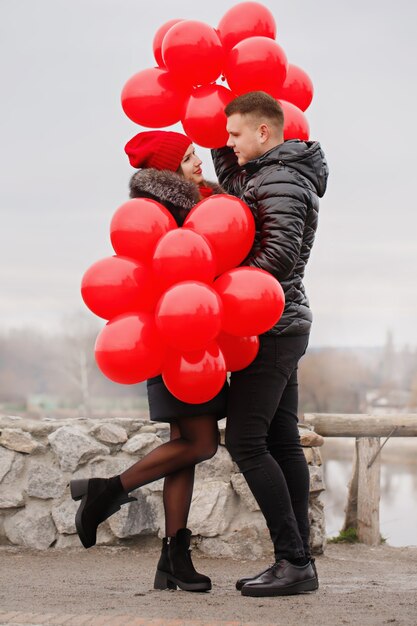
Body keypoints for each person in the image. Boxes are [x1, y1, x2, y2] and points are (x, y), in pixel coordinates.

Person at [71, 131, 227, 593]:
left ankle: (173, 557)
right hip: (174, 342)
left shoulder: (200, 203)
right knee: (201, 444)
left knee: (186, 452)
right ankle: (107, 490)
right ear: (165, 170)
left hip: (196, 339)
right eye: (187, 157)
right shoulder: (166, 213)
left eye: (196, 153)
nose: (198, 162)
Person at [211, 91, 328, 597]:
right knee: (281, 439)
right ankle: (299, 562)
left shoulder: (279, 178)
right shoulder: (270, 170)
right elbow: (237, 185)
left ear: (264, 133)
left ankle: (293, 560)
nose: (228, 143)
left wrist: (220, 289)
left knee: (245, 441)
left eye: (235, 134)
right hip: (280, 323)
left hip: (270, 325)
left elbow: (276, 256)